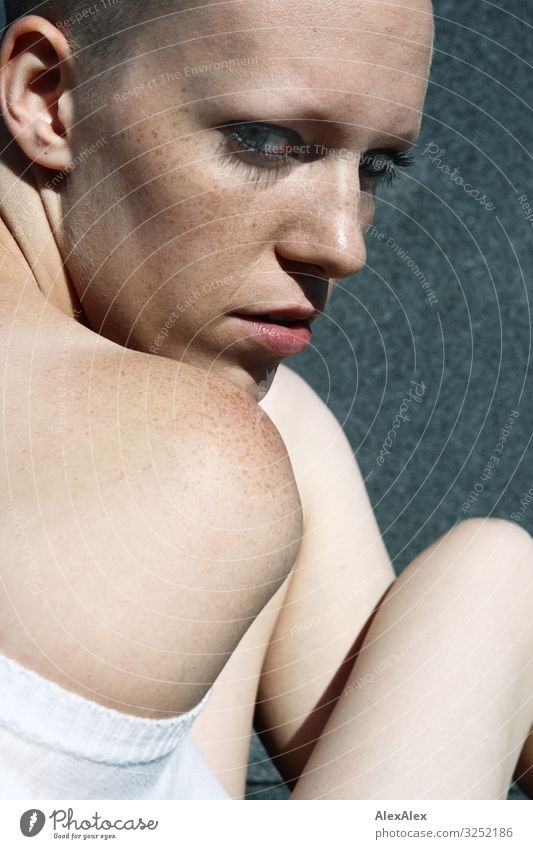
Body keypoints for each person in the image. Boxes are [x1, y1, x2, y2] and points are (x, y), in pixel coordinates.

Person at [0, 0, 531, 801]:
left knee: (497, 571)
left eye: (377, 168)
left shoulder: (244, 424)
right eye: (264, 141)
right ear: (47, 96)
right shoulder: (194, 463)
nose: (343, 245)